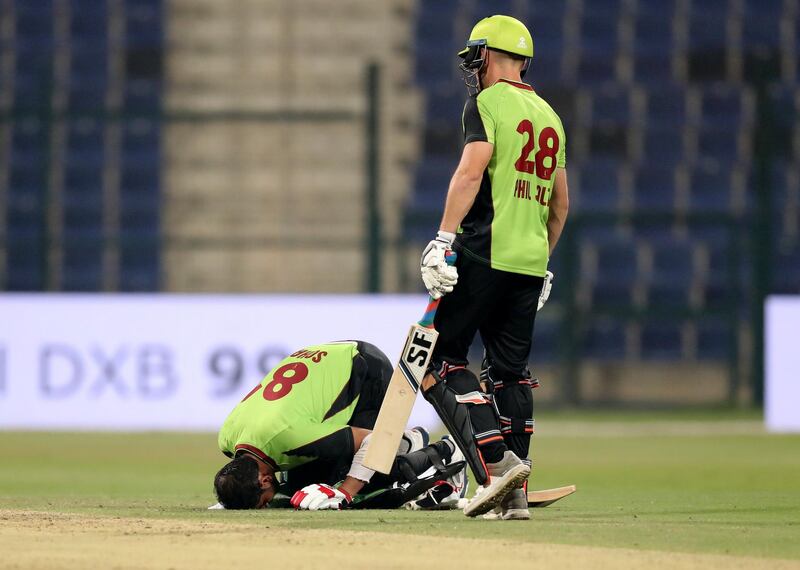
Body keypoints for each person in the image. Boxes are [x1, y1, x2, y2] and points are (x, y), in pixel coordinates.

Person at [418, 15, 569, 519]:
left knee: (439, 361)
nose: (471, 67)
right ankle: (518, 490)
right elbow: (560, 206)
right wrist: (541, 261)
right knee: (509, 374)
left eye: (474, 56)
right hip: (529, 262)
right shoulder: (549, 114)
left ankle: (497, 466)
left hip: (485, 250)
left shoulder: (485, 103)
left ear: (489, 56)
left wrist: (442, 239)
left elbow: (471, 169)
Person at [213, 340, 465, 510]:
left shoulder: (291, 437)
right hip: (330, 359)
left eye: (262, 503)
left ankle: (441, 449)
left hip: (365, 369)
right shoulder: (227, 438)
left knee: (351, 477)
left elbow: (372, 442)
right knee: (304, 490)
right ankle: (407, 443)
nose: (266, 504)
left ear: (265, 480)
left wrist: (345, 492)